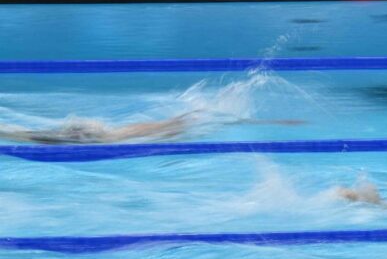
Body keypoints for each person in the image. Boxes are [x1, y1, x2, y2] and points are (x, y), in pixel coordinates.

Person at [1, 111, 304, 145]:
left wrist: (277, 120)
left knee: (31, 136)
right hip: (104, 135)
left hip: (105, 134)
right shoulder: (183, 125)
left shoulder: (186, 122)